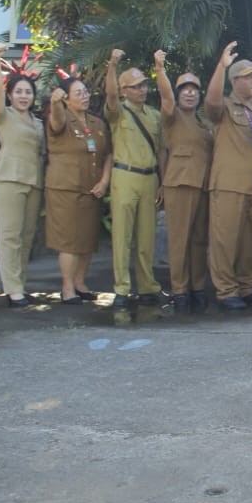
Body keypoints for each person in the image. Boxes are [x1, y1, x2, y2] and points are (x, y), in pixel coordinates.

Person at [205, 42, 252, 310]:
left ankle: (247, 286)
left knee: (250, 242)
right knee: (225, 241)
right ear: (234, 81)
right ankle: (226, 290)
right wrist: (221, 67)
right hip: (229, 185)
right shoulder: (224, 106)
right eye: (249, 76)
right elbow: (211, 102)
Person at [45, 77, 112, 313]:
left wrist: (104, 181)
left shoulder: (96, 122)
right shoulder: (62, 118)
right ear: (66, 99)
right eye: (78, 93)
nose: (85, 96)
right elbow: (56, 121)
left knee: (86, 239)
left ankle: (80, 282)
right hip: (66, 190)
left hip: (91, 190)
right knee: (70, 241)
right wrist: (55, 103)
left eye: (85, 92)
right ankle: (67, 287)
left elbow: (107, 155)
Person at [105, 50, 164, 315]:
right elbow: (109, 96)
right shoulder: (118, 112)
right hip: (125, 176)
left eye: (144, 85)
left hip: (150, 177)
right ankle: (121, 288)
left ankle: (147, 286)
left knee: (146, 237)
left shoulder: (153, 115)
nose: (142, 90)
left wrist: (162, 181)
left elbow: (161, 150)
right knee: (122, 236)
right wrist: (112, 65)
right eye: (136, 86)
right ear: (124, 91)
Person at [154, 51, 213, 314]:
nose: (190, 93)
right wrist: (159, 69)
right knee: (179, 239)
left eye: (194, 90)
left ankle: (197, 287)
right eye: (185, 90)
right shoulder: (172, 116)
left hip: (203, 185)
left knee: (199, 240)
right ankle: (179, 290)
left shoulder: (202, 122)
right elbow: (166, 97)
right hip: (179, 183)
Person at [0, 42, 43, 308]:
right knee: (9, 236)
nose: (23, 96)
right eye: (18, 92)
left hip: (34, 182)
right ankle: (12, 290)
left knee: (27, 237)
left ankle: (19, 284)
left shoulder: (38, 123)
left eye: (28, 92)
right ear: (10, 95)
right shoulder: (3, 116)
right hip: (7, 180)